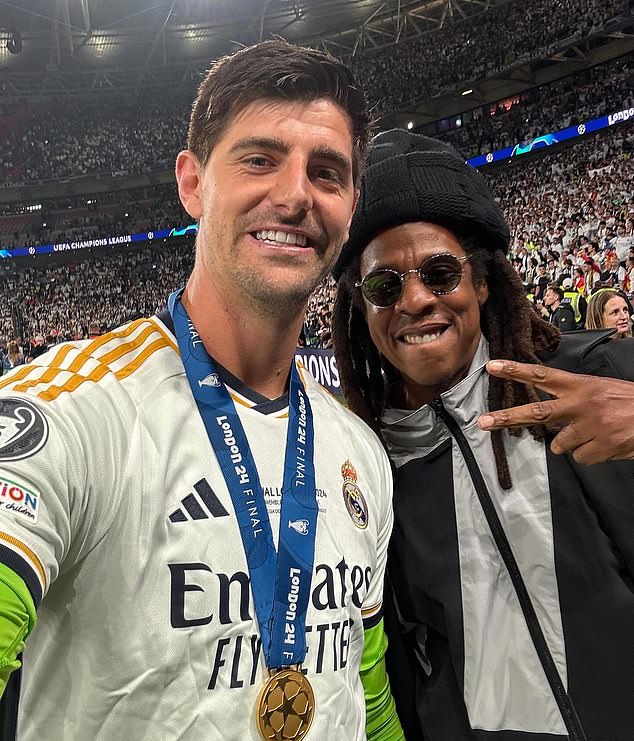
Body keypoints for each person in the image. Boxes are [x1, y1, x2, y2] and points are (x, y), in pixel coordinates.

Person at [0, 41, 403, 741]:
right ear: (192, 183)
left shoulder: (358, 453)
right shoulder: (73, 413)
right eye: (259, 159)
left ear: (349, 206)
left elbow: (367, 700)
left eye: (327, 172)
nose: (295, 193)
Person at [331, 128, 634, 741]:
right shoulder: (359, 464)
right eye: (384, 286)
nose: (414, 300)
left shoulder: (598, 377)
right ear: (360, 310)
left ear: (485, 281)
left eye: (441, 273)